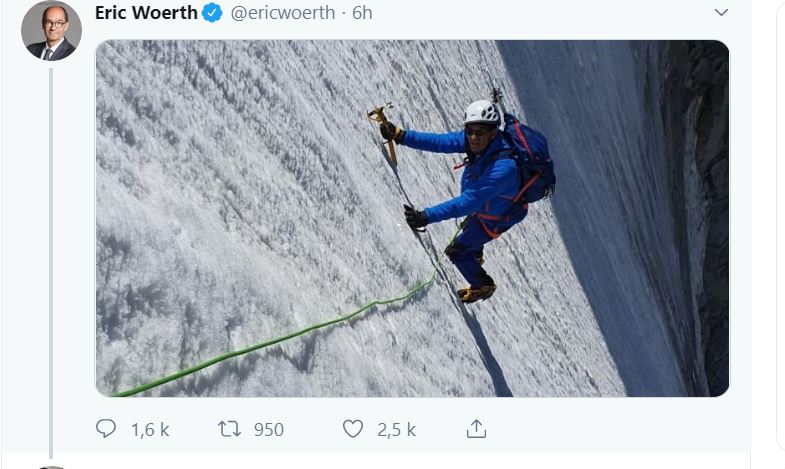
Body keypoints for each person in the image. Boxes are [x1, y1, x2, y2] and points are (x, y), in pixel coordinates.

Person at [380, 99, 528, 304]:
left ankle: (483, 285)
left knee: (457, 251)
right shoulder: (478, 142)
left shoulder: (504, 169)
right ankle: (475, 252)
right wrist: (401, 136)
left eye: (480, 132)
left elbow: (468, 203)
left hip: (496, 217)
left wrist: (425, 216)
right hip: (486, 206)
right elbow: (441, 142)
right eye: (470, 131)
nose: (474, 137)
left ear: (493, 133)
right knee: (472, 228)